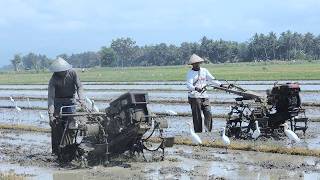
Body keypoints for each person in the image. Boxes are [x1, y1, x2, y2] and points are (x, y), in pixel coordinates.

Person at [48, 57, 85, 155]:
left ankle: (69, 147)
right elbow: (51, 98)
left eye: (63, 71)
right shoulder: (53, 79)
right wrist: (51, 115)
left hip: (70, 101)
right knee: (56, 126)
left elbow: (79, 86)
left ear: (66, 69)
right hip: (58, 102)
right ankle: (56, 151)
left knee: (71, 125)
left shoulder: (73, 73)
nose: (61, 73)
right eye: (59, 72)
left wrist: (81, 99)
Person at [186, 54, 226, 133]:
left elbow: (212, 79)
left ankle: (208, 131)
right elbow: (189, 85)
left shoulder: (204, 70)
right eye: (195, 63)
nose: (197, 65)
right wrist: (196, 88)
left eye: (198, 63)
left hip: (204, 95)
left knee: (208, 112)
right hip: (194, 96)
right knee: (197, 116)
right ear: (192, 64)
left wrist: (221, 85)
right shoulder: (190, 73)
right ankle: (198, 132)